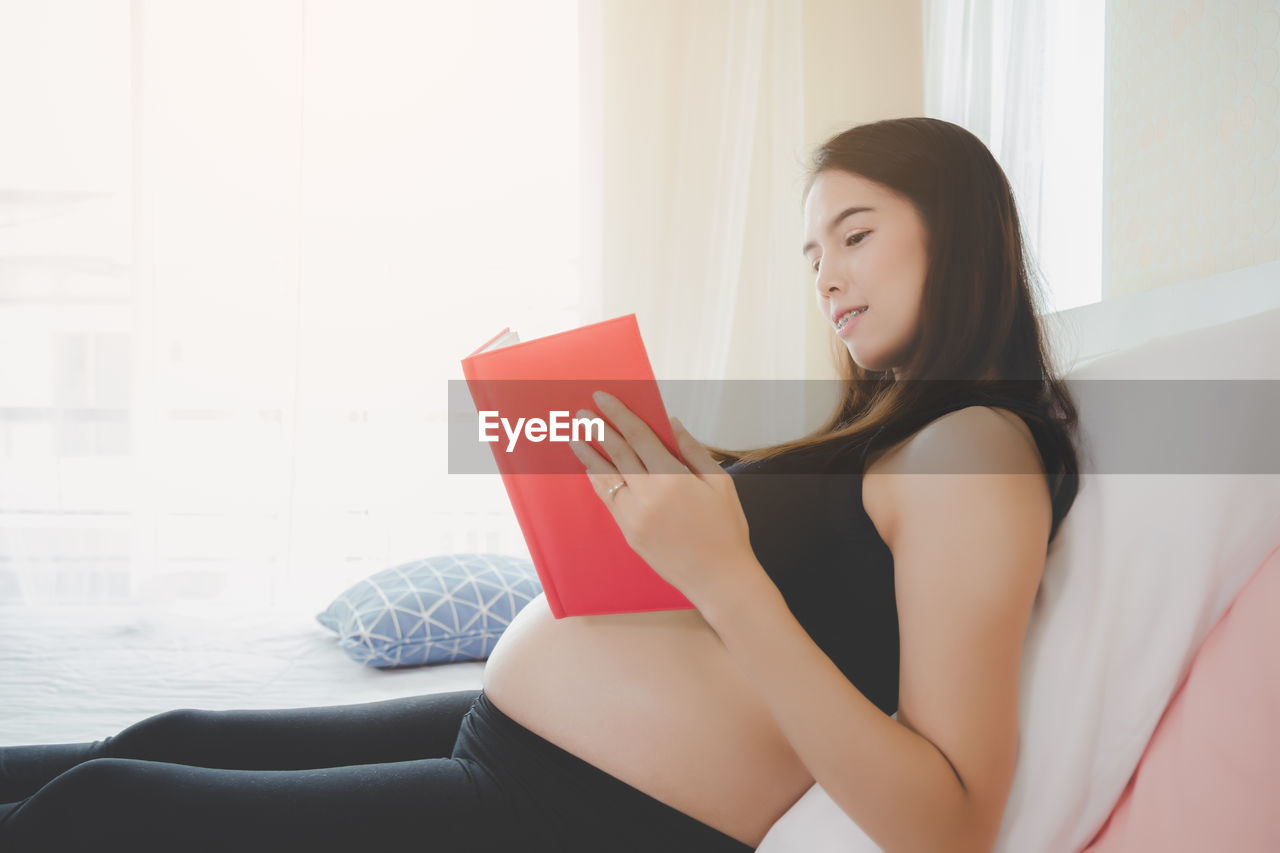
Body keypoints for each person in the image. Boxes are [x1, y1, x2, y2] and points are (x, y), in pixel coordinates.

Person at [0, 116, 1080, 853]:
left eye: (854, 235)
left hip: (570, 809)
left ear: (962, 231)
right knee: (161, 740)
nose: (827, 278)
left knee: (105, 806)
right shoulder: (886, 437)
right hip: (515, 740)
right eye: (809, 255)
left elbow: (949, 820)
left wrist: (723, 571)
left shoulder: (978, 451)